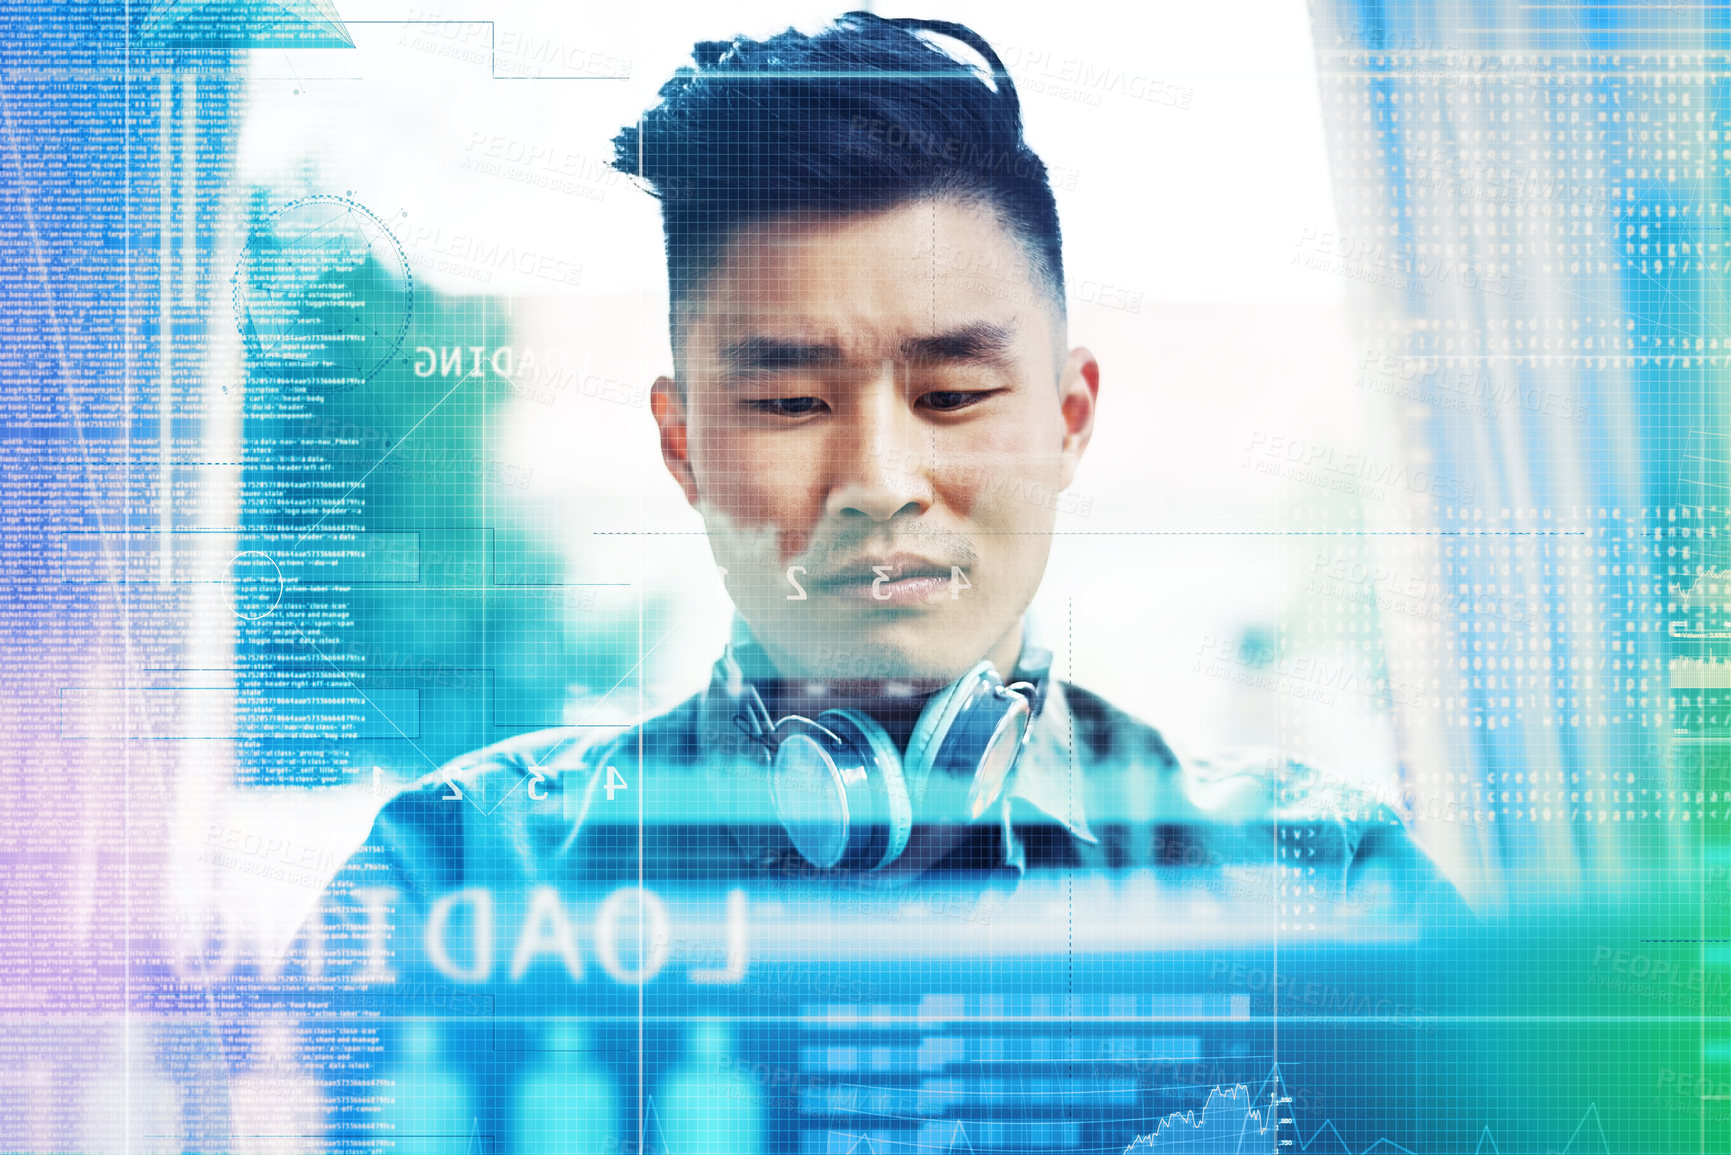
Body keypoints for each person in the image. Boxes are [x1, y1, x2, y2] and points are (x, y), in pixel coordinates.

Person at [315, 13, 1464, 956]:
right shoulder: (447, 885)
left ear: (1069, 422)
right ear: (682, 448)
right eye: (789, 404)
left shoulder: (1331, 898)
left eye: (953, 396)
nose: (878, 481)